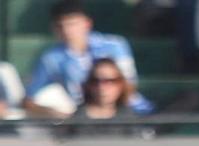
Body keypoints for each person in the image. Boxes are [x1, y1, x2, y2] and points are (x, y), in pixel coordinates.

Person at [23, 0, 155, 119]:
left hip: (132, 112)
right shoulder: (50, 59)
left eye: (72, 24)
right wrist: (56, 114)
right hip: (85, 119)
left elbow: (129, 84)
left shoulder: (115, 45)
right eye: (60, 26)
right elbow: (29, 100)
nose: (67, 31)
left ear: (87, 23)